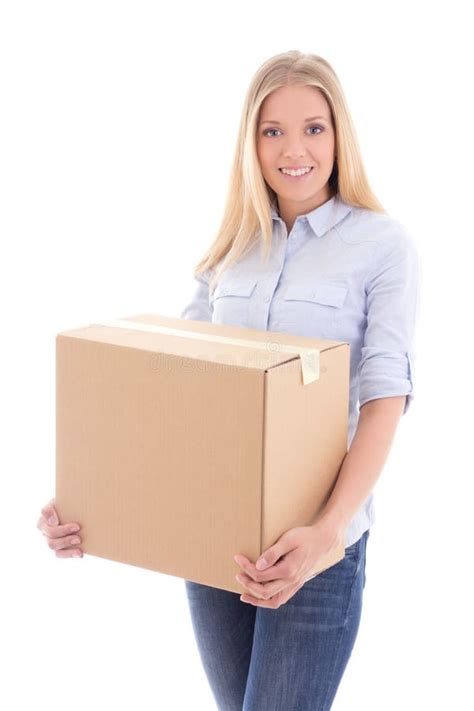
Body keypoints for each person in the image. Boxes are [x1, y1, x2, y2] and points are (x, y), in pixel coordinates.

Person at [37, 49, 420, 710]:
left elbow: (385, 399)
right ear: (252, 141)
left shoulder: (383, 246)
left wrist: (326, 533)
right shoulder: (231, 246)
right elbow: (177, 389)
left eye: (313, 128)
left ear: (339, 136)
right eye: (272, 130)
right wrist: (85, 499)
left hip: (315, 547)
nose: (293, 149)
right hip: (216, 536)